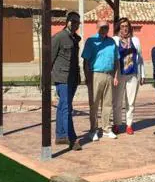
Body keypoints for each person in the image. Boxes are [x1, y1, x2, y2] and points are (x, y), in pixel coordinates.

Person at [82, 20, 119, 141]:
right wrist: (88, 78)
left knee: (107, 104)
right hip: (95, 75)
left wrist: (115, 76)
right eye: (102, 27)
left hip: (109, 74)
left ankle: (106, 129)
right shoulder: (91, 41)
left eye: (106, 28)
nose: (104, 30)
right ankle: (93, 130)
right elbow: (86, 61)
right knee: (94, 104)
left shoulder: (112, 41)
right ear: (97, 28)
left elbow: (116, 60)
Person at [51, 12, 83, 150]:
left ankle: (60, 136)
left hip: (73, 78)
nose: (76, 25)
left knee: (63, 106)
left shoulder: (75, 38)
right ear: (68, 22)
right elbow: (49, 59)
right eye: (74, 22)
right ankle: (72, 138)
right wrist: (45, 79)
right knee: (66, 108)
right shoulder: (59, 37)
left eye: (78, 23)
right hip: (62, 78)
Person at [112, 17, 145, 135]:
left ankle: (129, 125)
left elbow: (140, 58)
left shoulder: (135, 40)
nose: (125, 29)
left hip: (133, 74)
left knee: (130, 102)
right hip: (119, 75)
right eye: (122, 26)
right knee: (117, 101)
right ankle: (116, 124)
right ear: (118, 28)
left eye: (126, 26)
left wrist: (143, 74)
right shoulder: (114, 40)